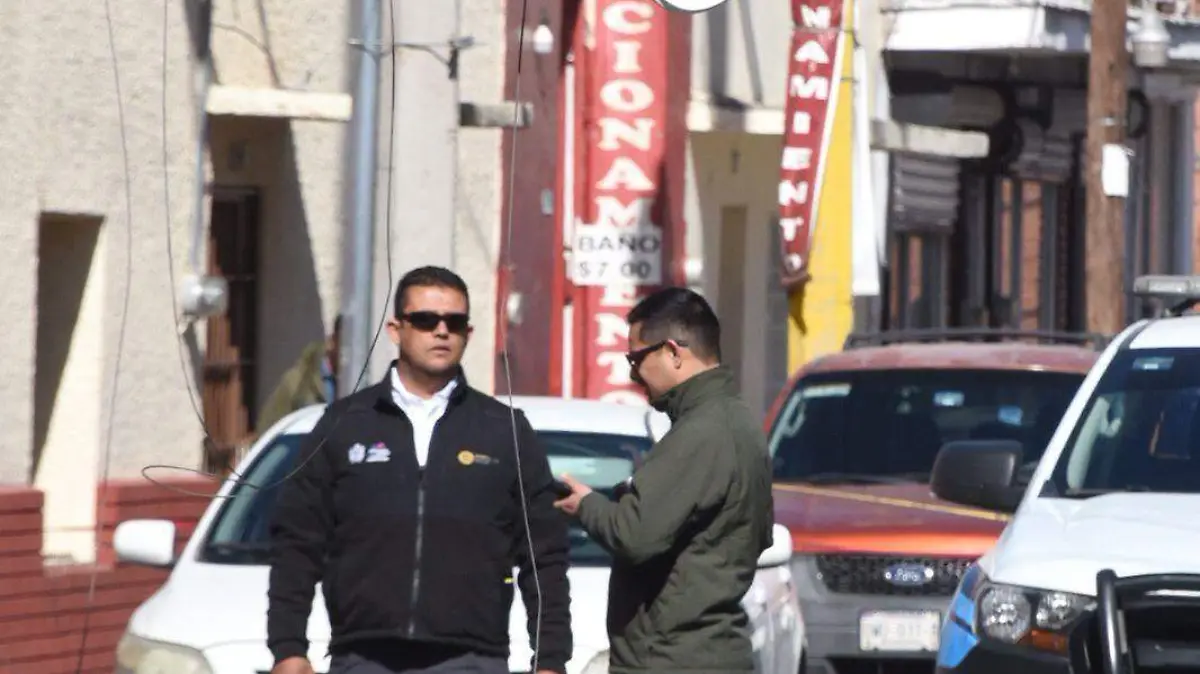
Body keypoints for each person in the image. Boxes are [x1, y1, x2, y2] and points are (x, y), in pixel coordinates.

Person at [267, 266, 571, 674]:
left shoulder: (505, 430)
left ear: (468, 333)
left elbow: (544, 556)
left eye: (454, 322)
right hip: (364, 656)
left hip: (472, 659)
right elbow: (297, 544)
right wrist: (288, 648)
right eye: (426, 320)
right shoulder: (345, 423)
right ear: (396, 330)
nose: (442, 331)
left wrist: (550, 660)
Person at [553, 287, 774, 673]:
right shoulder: (735, 422)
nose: (632, 373)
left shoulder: (704, 432)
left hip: (674, 659)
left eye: (636, 358)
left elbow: (634, 534)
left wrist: (587, 505)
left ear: (673, 352)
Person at [256, 315, 342, 435]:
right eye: (345, 344)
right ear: (332, 341)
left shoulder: (359, 382)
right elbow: (268, 432)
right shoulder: (298, 383)